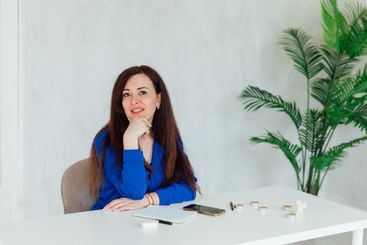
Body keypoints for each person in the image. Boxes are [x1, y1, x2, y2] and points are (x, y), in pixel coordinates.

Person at [88, 65, 198, 211]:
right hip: (112, 220)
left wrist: (148, 200)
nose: (134, 100)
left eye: (142, 92)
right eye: (126, 94)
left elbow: (189, 188)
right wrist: (130, 140)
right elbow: (134, 194)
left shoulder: (168, 136)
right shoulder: (105, 139)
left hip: (152, 220)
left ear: (158, 99)